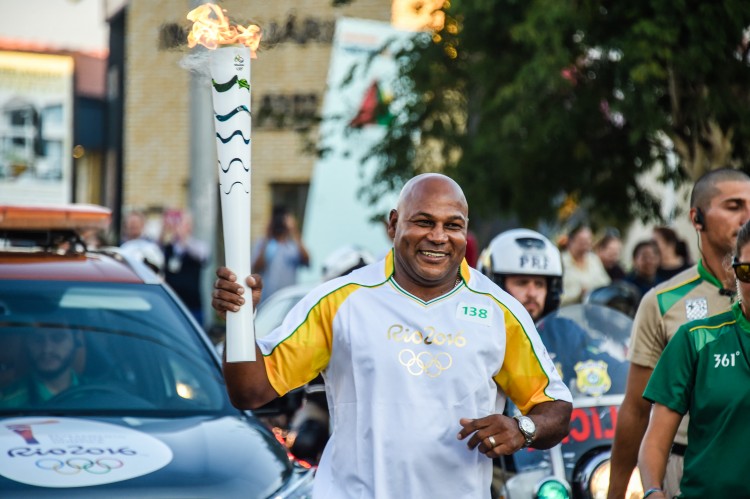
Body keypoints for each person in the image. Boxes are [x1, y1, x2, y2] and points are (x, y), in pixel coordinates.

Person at [212, 173, 573, 499]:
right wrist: (239, 319)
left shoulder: (499, 312)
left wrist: (522, 428)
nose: (438, 237)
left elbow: (555, 408)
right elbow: (250, 390)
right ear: (394, 224)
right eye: (423, 222)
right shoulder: (340, 302)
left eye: (453, 225)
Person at [607, 168, 750, 499]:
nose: (746, 216)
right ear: (696, 218)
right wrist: (618, 493)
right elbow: (637, 410)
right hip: (684, 464)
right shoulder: (662, 302)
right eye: (733, 206)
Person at [638, 219, 750, 498]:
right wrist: (652, 491)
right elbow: (655, 439)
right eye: (747, 271)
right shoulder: (696, 338)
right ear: (734, 271)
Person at [477, 228, 563, 322]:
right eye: (522, 283)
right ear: (496, 286)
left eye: (539, 284)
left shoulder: (563, 334)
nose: (532, 294)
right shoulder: (478, 334)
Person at [1, 327, 84, 407]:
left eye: (58, 338)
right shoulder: (7, 402)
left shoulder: (95, 391)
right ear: (26, 344)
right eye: (38, 340)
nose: (47, 349)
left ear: (75, 341)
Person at [252, 205, 310, 303]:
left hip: (287, 302)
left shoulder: (293, 246)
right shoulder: (263, 243)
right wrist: (267, 235)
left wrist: (294, 231)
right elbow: (256, 268)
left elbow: (307, 261)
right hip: (266, 302)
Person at [162, 210, 210, 324]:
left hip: (192, 306)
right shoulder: (168, 246)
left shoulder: (198, 245)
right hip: (170, 304)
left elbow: (203, 257)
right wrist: (164, 228)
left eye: (182, 223)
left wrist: (183, 238)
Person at [560, 224, 611, 305]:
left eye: (589, 240)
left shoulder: (594, 259)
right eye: (582, 240)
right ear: (571, 241)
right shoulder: (561, 261)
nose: (586, 243)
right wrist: (578, 294)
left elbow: (606, 284)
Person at [120, 209, 165, 274]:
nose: (133, 225)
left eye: (135, 223)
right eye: (131, 223)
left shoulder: (152, 246)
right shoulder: (119, 245)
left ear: (142, 224)